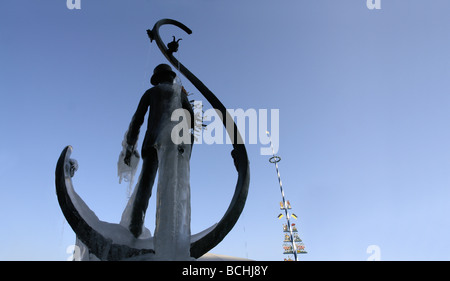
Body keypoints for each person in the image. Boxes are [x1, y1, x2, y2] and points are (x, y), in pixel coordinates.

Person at [121, 63, 194, 239]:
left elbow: (137, 120)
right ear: (170, 77)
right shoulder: (179, 95)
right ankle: (170, 235)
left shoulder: (151, 92)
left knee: (145, 187)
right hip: (174, 146)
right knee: (172, 188)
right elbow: (191, 120)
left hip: (152, 144)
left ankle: (134, 230)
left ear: (157, 79)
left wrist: (130, 146)